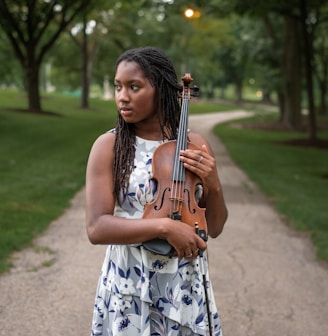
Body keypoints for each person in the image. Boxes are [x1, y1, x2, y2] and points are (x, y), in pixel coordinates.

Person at [85, 46, 228, 336]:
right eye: (118, 87)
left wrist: (212, 183)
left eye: (134, 87)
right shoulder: (109, 146)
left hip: (183, 282)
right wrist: (164, 227)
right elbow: (97, 228)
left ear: (161, 89)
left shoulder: (194, 144)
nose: (122, 96)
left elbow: (214, 227)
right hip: (131, 281)